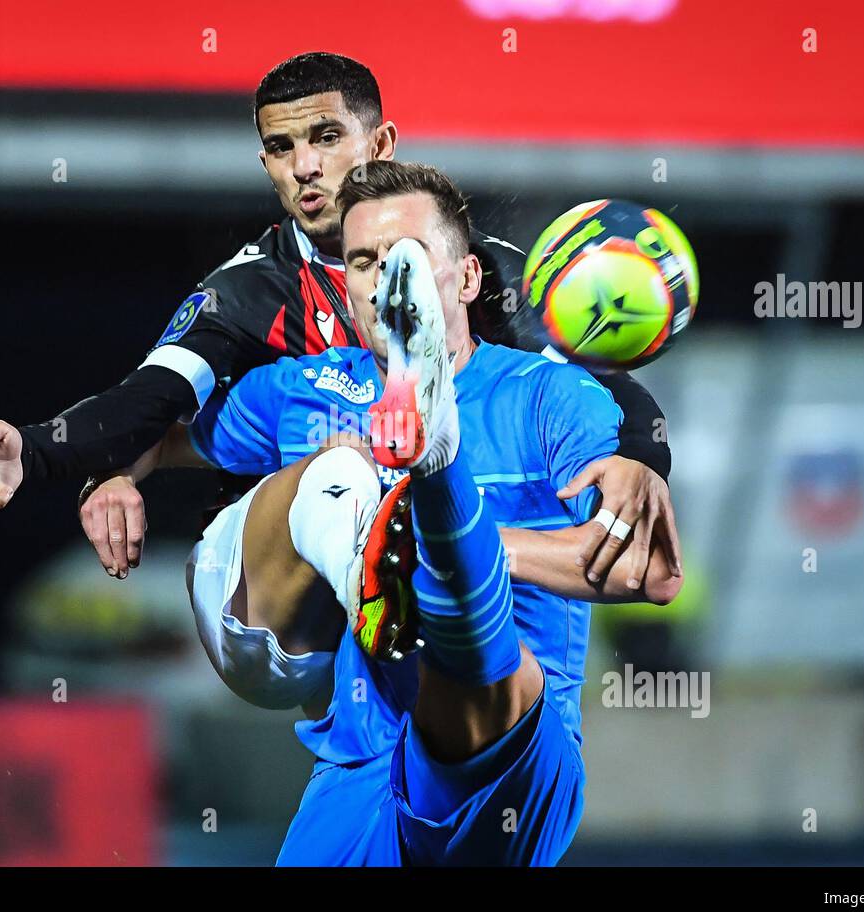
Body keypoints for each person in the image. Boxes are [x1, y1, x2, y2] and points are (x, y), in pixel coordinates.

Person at [90, 161, 681, 863]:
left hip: (513, 747)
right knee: (337, 474)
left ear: (465, 280)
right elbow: (159, 431)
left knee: (465, 628)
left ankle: (435, 462)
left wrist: (470, 548)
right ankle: (417, 496)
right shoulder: (308, 387)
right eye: (364, 262)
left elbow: (652, 572)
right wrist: (114, 473)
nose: (379, 279)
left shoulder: (553, 395)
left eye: (405, 259)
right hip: (360, 760)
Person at [0, 53, 679, 588]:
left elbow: (599, 383)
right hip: (272, 577)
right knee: (348, 470)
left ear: (379, 144)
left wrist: (643, 458)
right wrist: (42, 455)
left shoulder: (477, 271)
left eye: (326, 137)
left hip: (418, 553)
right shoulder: (247, 294)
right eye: (282, 148)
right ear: (266, 166)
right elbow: (149, 400)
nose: (305, 167)